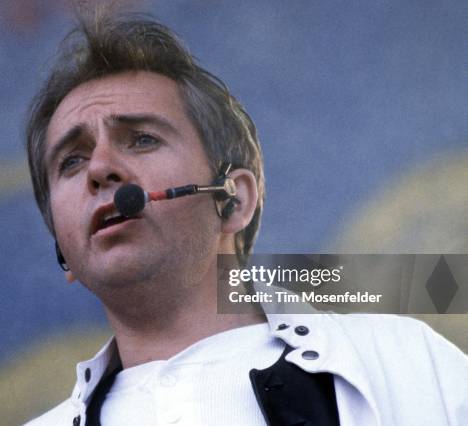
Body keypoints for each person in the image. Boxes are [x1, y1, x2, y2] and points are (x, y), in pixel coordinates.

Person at [24, 11, 467, 426]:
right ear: (63, 249)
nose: (100, 168)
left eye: (140, 139)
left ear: (234, 201)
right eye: (71, 161)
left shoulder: (407, 365)